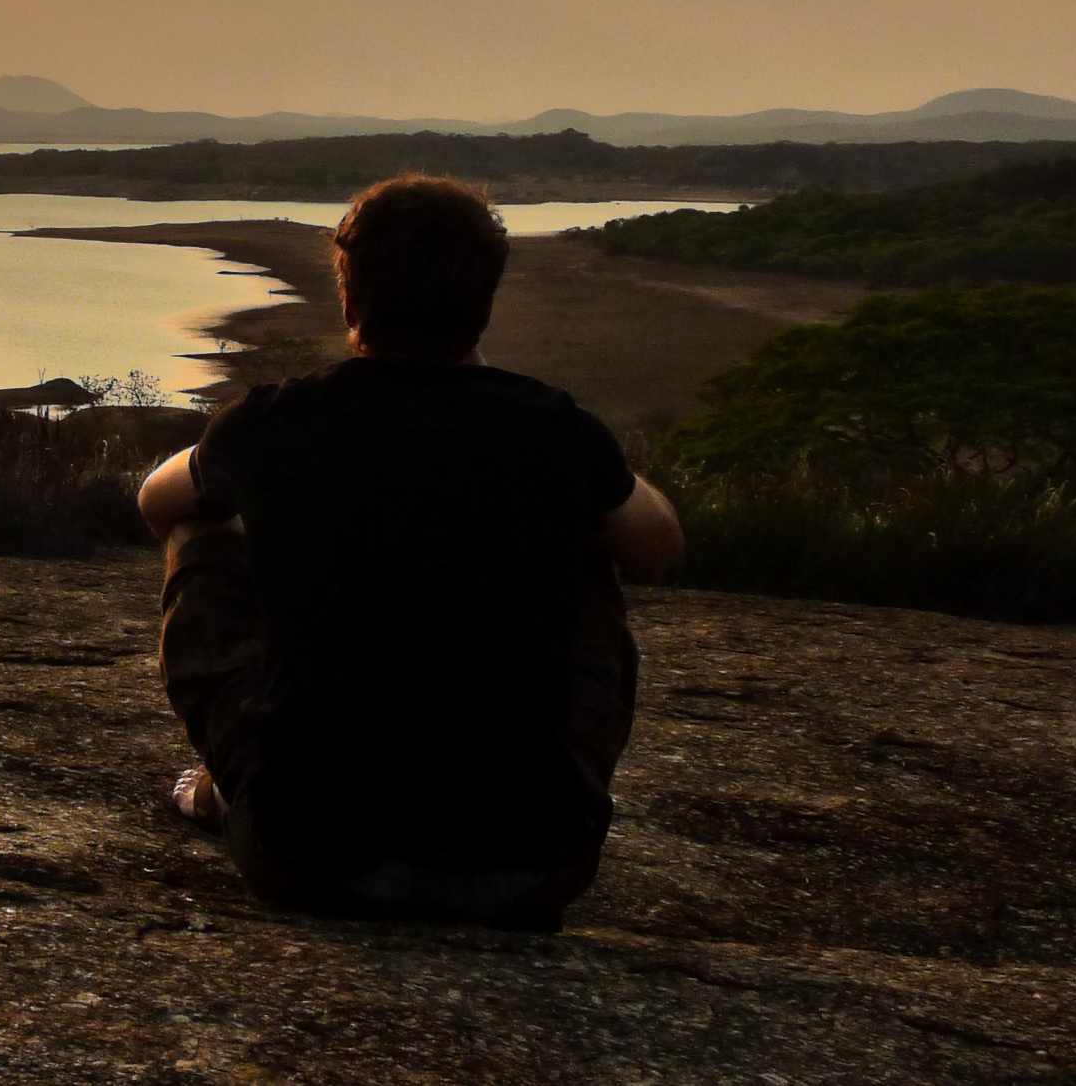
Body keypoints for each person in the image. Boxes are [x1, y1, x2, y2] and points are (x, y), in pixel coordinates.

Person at [139, 173, 683, 929]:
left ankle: (231, 783)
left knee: (199, 529)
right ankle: (516, 788)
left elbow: (155, 502)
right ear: (484, 299)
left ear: (348, 292)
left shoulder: (278, 421)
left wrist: (232, 461)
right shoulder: (551, 428)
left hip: (305, 854)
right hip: (533, 865)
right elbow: (656, 545)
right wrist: (599, 478)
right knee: (597, 545)